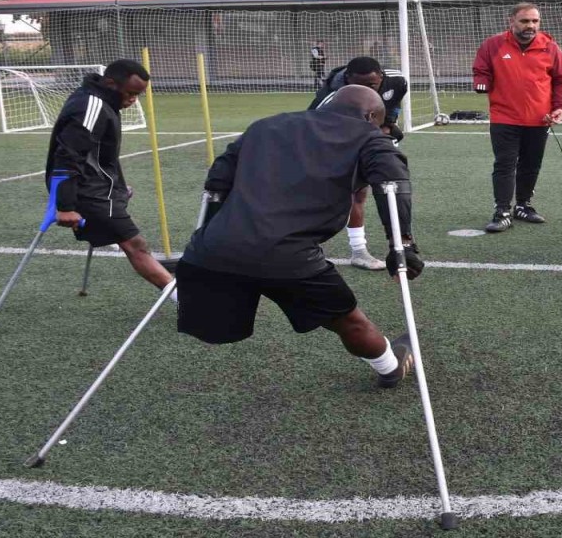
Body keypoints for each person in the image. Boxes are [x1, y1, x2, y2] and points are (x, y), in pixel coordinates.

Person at [177, 85, 424, 388]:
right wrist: (404, 245)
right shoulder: (368, 135)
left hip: (214, 247)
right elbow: (392, 183)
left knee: (217, 314)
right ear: (370, 116)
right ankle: (391, 366)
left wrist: (206, 235)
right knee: (349, 321)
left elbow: (217, 180)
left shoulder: (264, 126)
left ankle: (389, 363)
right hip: (288, 256)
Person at [47, 59, 174, 294]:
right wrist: (65, 206)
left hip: (100, 186)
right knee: (136, 245)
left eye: (138, 95)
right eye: (130, 93)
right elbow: (68, 156)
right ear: (110, 83)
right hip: (86, 191)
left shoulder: (102, 100)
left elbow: (101, 157)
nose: (133, 100)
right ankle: (186, 304)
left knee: (132, 238)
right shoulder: (91, 106)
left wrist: (117, 186)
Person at [472, 2, 562, 232]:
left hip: (540, 119)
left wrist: (560, 107)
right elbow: (481, 68)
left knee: (531, 165)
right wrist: (482, 82)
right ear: (512, 22)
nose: (530, 25)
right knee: (505, 164)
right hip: (504, 117)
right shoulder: (493, 45)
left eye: (535, 21)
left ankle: (523, 206)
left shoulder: (550, 47)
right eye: (525, 21)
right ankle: (502, 211)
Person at [308, 56, 409, 270]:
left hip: (374, 137)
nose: (366, 91)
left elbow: (394, 101)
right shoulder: (330, 97)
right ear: (347, 79)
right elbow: (314, 126)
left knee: (387, 188)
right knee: (347, 194)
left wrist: (389, 124)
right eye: (357, 85)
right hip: (339, 139)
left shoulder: (397, 81)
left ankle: (385, 247)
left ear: (381, 77)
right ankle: (347, 249)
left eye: (372, 85)